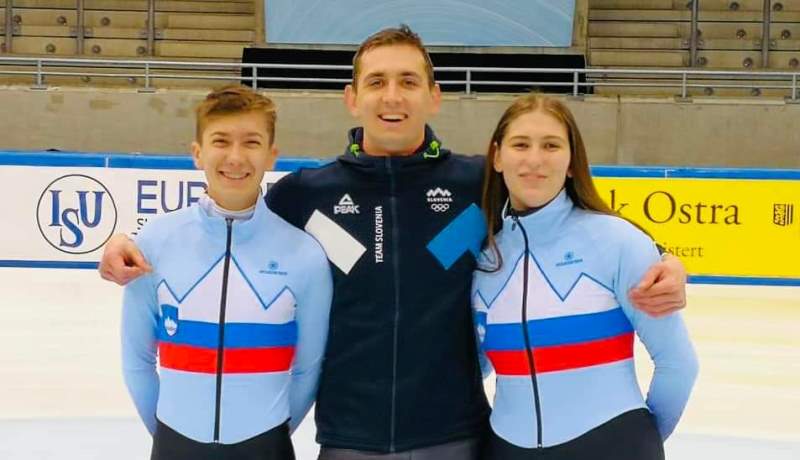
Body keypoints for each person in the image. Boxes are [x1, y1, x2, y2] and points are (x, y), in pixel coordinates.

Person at [102, 26, 688, 460]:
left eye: (408, 81)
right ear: (352, 99)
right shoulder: (307, 196)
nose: (392, 96)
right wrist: (123, 241)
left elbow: (567, 219)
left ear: (434, 96)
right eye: (376, 82)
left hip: (454, 436)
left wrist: (662, 254)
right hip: (347, 438)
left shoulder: (475, 189)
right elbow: (228, 222)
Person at [472, 93, 698, 460]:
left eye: (551, 145)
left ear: (573, 161)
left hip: (611, 444)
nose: (534, 159)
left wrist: (640, 439)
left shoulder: (616, 241)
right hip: (507, 448)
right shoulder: (484, 258)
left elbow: (677, 363)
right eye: (520, 144)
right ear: (497, 157)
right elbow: (476, 366)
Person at [121, 86, 332, 460]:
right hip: (175, 442)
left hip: (265, 445)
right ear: (197, 153)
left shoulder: (304, 255)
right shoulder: (155, 241)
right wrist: (169, 433)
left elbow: (308, 369)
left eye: (251, 142)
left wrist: (269, 433)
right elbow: (136, 360)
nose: (235, 157)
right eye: (221, 141)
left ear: (271, 156)